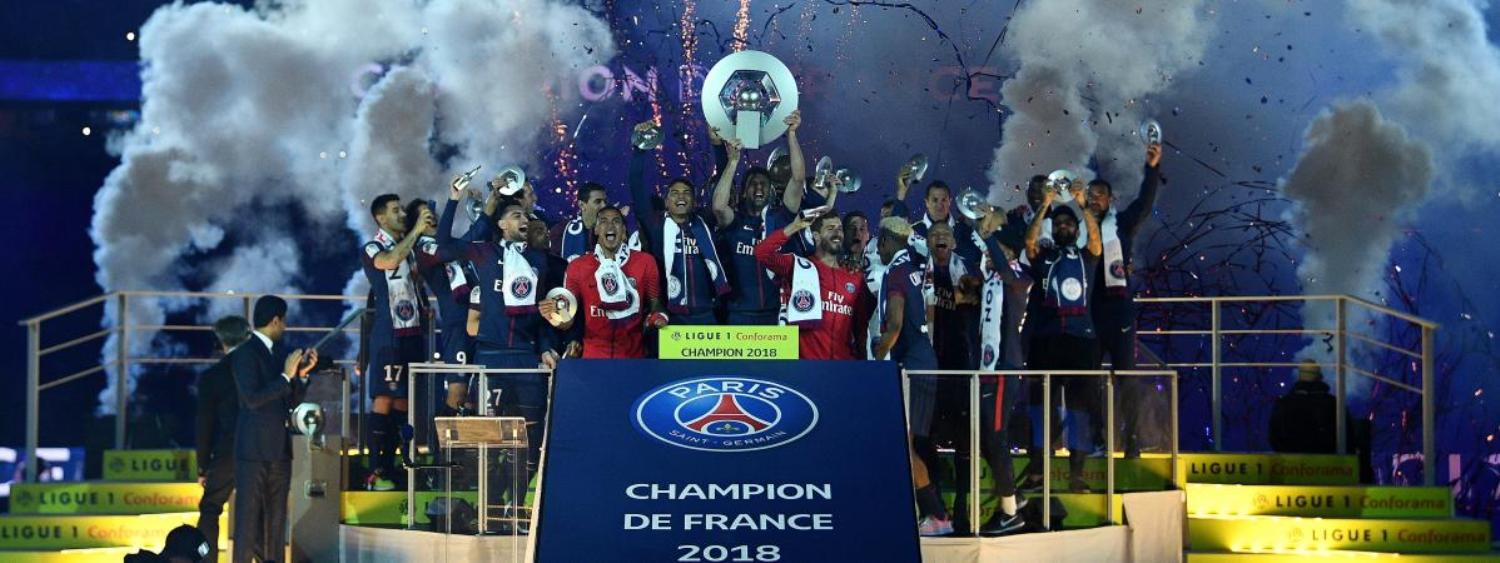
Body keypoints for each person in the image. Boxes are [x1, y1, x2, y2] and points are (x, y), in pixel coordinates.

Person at [440, 195, 561, 523]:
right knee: (490, 440)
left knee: (530, 439)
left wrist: (545, 342)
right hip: (490, 359)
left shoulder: (539, 260)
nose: (524, 219)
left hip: (525, 360)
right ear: (502, 224)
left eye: (526, 215)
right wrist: (454, 200)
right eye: (516, 215)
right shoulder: (485, 253)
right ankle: (488, 508)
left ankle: (515, 505)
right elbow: (444, 245)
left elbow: (541, 316)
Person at [1021, 184, 1104, 493]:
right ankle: (1036, 473)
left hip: (1081, 340)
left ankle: (1077, 475)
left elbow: (1095, 239)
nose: (1063, 227)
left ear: (1076, 229)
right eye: (1058, 224)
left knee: (1080, 409)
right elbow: (1028, 242)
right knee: (1040, 409)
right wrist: (1045, 205)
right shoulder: (1044, 256)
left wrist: (1082, 204)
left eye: (1069, 223)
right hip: (1047, 340)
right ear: (1053, 229)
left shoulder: (1087, 257)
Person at [870, 217, 948, 536]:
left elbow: (895, 325)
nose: (878, 249)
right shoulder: (913, 267)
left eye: (879, 243)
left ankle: (937, 516)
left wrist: (876, 358)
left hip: (913, 369)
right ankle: (929, 513)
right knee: (908, 443)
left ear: (887, 240)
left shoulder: (897, 273)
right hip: (923, 363)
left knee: (903, 444)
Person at [1084, 143, 1163, 457]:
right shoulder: (1077, 228)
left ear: (1110, 200)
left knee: (1126, 378)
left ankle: (1131, 440)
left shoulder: (1121, 224)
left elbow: (1144, 203)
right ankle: (1096, 439)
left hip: (1119, 313)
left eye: (1100, 195)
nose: (1094, 200)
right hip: (1089, 312)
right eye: (1090, 196)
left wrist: (1152, 169)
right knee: (1089, 380)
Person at [231, 296, 317, 563]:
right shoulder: (245, 354)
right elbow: (252, 399)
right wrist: (285, 376)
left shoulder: (280, 354)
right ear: (276, 320)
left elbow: (289, 401)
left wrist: (301, 376)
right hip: (253, 453)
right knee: (247, 525)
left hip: (279, 451)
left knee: (277, 525)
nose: (285, 327)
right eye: (284, 321)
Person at [360, 193, 432, 491]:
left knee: (404, 401)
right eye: (395, 210)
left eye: (402, 209)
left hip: (412, 334)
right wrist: (416, 231)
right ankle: (375, 472)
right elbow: (389, 261)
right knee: (384, 399)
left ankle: (395, 467)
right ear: (381, 218)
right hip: (389, 335)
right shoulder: (373, 246)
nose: (402, 214)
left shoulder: (409, 248)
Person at [629, 121, 730, 325]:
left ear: (694, 201)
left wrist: (718, 146)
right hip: (670, 317)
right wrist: (640, 147)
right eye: (674, 193)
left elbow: (722, 182)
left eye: (686, 193)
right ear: (666, 202)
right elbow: (636, 184)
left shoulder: (705, 222)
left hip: (707, 316)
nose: (681, 197)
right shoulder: (655, 225)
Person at [713, 111, 807, 325]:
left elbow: (798, 178)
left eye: (764, 184)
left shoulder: (782, 218)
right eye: (752, 184)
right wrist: (733, 162)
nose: (758, 188)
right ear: (744, 192)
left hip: (775, 316)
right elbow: (718, 206)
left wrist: (792, 135)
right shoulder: (735, 222)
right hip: (738, 316)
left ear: (771, 191)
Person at [920, 221, 983, 533]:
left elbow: (971, 303)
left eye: (945, 234)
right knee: (926, 438)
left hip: (960, 365)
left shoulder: (967, 270)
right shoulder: (920, 271)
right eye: (934, 235)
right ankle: (936, 507)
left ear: (954, 242)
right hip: (930, 364)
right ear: (928, 242)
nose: (940, 238)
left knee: (964, 441)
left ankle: (962, 505)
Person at [553, 205, 667, 358]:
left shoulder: (645, 262)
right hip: (593, 358)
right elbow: (568, 314)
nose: (610, 226)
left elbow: (655, 303)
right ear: (596, 230)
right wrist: (559, 316)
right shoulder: (577, 267)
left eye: (616, 221)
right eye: (603, 221)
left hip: (633, 357)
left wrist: (658, 317)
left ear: (624, 231)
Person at [753, 210, 868, 359]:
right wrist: (795, 226)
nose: (837, 233)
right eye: (830, 228)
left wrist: (863, 363)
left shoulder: (855, 277)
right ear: (816, 236)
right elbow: (762, 252)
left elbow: (860, 328)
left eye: (839, 229)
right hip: (807, 366)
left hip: (844, 365)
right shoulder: (799, 266)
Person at [194, 315, 250, 563]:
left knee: (210, 508)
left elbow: (205, 425)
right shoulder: (263, 367)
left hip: (229, 450)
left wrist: (203, 466)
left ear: (220, 342)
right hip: (263, 448)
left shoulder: (212, 376)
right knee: (257, 510)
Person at [1269, 360, 1337, 453]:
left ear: (1299, 376)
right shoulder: (1333, 403)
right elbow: (1347, 435)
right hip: (1328, 459)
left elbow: (1274, 436)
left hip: (1291, 458)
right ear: (1319, 376)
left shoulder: (1284, 403)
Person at [553, 182, 609, 263]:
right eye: (598, 202)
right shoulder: (561, 231)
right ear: (582, 205)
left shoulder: (613, 231)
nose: (604, 206)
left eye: (605, 201)